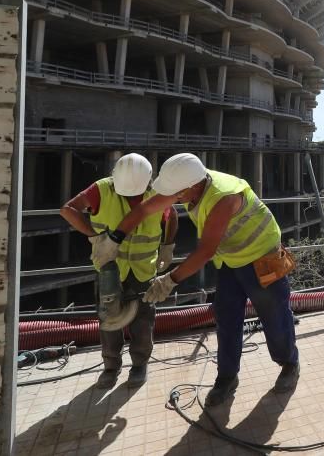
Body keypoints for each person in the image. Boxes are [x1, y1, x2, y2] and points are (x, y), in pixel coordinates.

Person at [92, 152, 299, 406]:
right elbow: (146, 208)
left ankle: (289, 364)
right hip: (231, 260)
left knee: (274, 315)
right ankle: (226, 377)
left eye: (177, 193)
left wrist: (169, 281)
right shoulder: (189, 183)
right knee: (226, 317)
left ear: (191, 186)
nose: (174, 198)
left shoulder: (224, 197)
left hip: (262, 257)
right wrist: (115, 238)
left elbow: (205, 251)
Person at [60, 153, 178, 388]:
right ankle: (111, 366)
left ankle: (139, 365)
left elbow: (172, 214)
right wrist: (95, 237)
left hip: (143, 269)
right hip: (110, 270)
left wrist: (168, 247)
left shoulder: (157, 193)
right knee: (109, 319)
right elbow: (68, 209)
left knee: (143, 321)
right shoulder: (102, 190)